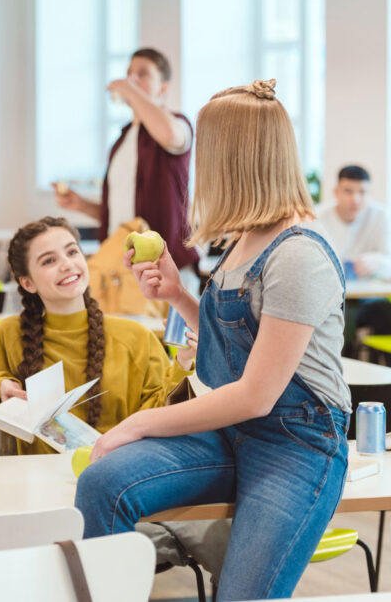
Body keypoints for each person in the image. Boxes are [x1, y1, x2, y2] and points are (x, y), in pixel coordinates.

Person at [74, 80, 351, 601]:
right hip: (229, 431)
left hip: (295, 444)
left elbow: (256, 393)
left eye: (208, 150)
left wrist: (136, 424)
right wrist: (180, 297)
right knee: (103, 483)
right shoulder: (247, 238)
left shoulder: (299, 254)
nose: (200, 165)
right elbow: (236, 349)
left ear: (238, 160)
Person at [0, 216, 195, 456]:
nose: (66, 264)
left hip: (119, 475)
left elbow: (159, 414)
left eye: (72, 252)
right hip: (34, 483)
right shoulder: (10, 334)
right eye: (49, 260)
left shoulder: (136, 337)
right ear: (28, 283)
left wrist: (183, 361)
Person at [53, 48, 200, 276]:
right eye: (129, 73)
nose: (132, 79)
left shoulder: (178, 125)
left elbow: (170, 135)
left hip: (167, 268)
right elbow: (121, 214)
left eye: (143, 74)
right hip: (123, 269)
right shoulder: (121, 141)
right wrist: (81, 204)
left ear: (163, 88)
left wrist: (129, 89)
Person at [317, 165, 391, 280]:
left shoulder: (382, 216)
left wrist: (377, 261)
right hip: (329, 290)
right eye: (348, 191)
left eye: (362, 192)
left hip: (368, 293)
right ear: (336, 192)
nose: (355, 199)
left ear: (370, 194)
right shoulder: (318, 215)